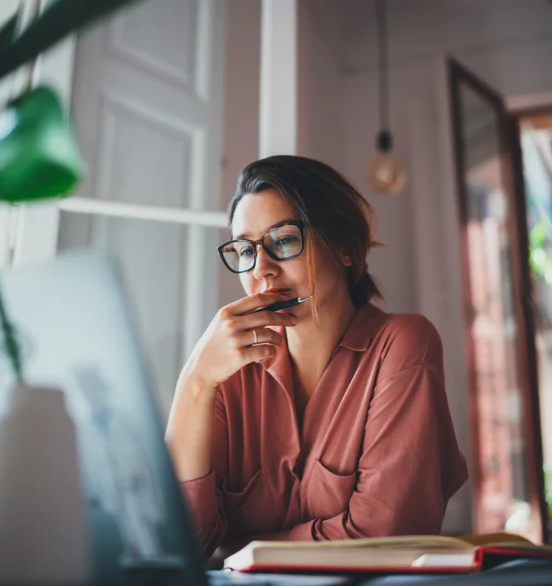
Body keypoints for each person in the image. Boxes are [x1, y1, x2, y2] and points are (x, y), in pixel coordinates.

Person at [165, 156, 468, 559]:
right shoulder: (227, 372)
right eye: (245, 250)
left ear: (343, 247)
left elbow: (385, 536)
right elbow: (179, 545)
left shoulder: (403, 344)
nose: (262, 271)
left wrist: (239, 548)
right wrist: (195, 382)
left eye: (284, 240)